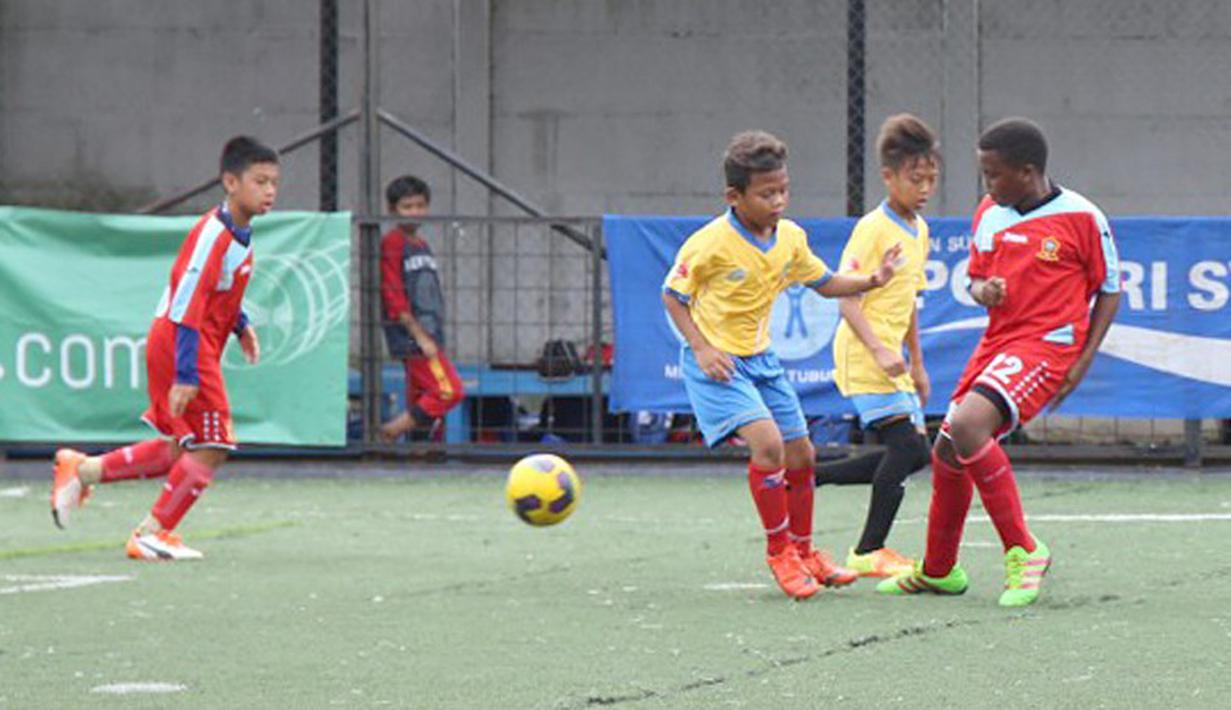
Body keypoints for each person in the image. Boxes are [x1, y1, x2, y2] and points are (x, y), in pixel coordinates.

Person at [878, 117, 1121, 606]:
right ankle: (939, 569)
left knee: (968, 427)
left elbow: (1109, 291)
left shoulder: (1082, 217)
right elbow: (974, 281)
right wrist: (981, 290)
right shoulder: (989, 213)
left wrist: (1083, 360)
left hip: (1049, 345)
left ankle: (1024, 549)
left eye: (995, 175)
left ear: (1028, 172)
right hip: (999, 343)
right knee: (947, 451)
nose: (987, 186)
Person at [662, 130, 901, 600]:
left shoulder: (790, 238)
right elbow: (673, 296)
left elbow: (826, 282)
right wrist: (704, 349)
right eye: (767, 193)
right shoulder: (709, 244)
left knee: (803, 455)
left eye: (784, 190)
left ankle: (805, 550)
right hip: (719, 364)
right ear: (735, 196)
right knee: (768, 446)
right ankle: (779, 553)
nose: (778, 201)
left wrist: (873, 279)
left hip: (762, 360)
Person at [50, 136, 280, 560]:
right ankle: (152, 533)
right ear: (230, 182)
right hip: (181, 341)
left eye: (273, 183)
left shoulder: (239, 231)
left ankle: (81, 471)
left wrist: (240, 325)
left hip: (189, 340)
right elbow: (187, 302)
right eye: (259, 181)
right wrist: (187, 372)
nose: (269, 191)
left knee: (184, 446)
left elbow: (219, 291)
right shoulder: (213, 234)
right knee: (214, 444)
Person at [816, 114, 938, 579]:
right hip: (864, 353)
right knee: (905, 447)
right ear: (888, 177)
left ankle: (813, 476)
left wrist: (917, 364)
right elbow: (847, 297)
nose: (924, 188)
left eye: (930, 179)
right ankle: (870, 550)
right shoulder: (873, 229)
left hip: (893, 358)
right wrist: (880, 350)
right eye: (915, 178)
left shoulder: (919, 230)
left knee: (916, 454)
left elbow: (909, 303)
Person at [378, 175, 464, 443]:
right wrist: (420, 334)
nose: (415, 212)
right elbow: (393, 294)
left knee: (420, 394)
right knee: (449, 390)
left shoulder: (421, 245)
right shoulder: (393, 242)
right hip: (414, 336)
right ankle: (390, 431)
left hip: (429, 332)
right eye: (407, 207)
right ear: (393, 210)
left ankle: (415, 450)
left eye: (419, 205)